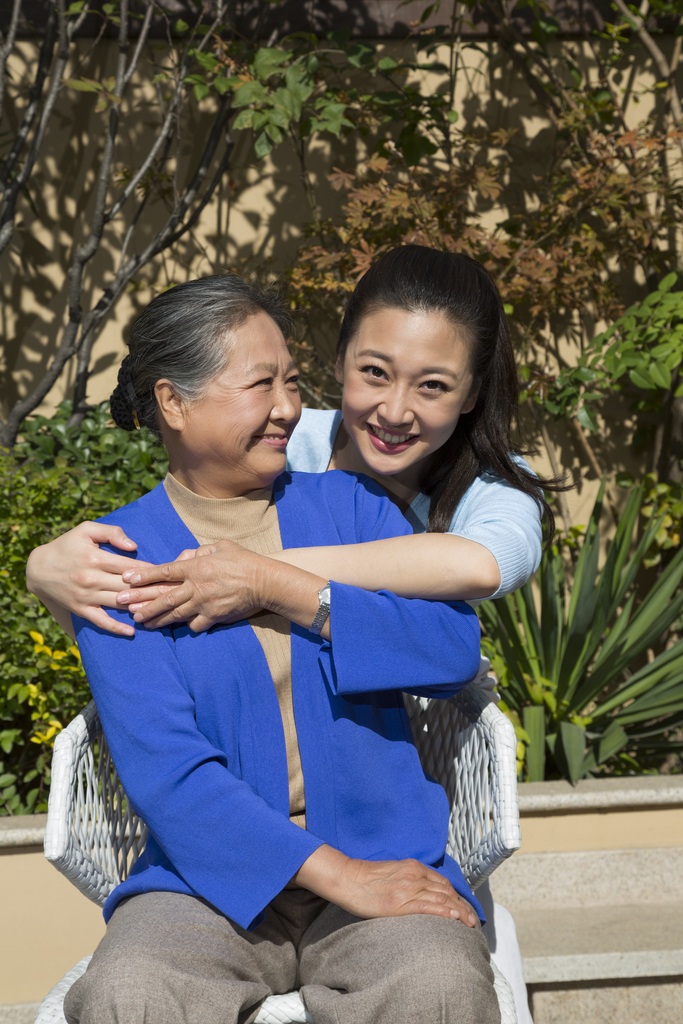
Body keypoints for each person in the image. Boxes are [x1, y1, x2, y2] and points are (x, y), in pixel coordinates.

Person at [28, 246, 554, 1024]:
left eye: (289, 382)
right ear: (173, 402)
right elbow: (169, 775)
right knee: (126, 993)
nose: (284, 407)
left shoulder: (353, 505)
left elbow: (449, 651)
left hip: (386, 861)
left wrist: (290, 590)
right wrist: (339, 875)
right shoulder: (120, 563)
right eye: (259, 384)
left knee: (437, 985)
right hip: (209, 883)